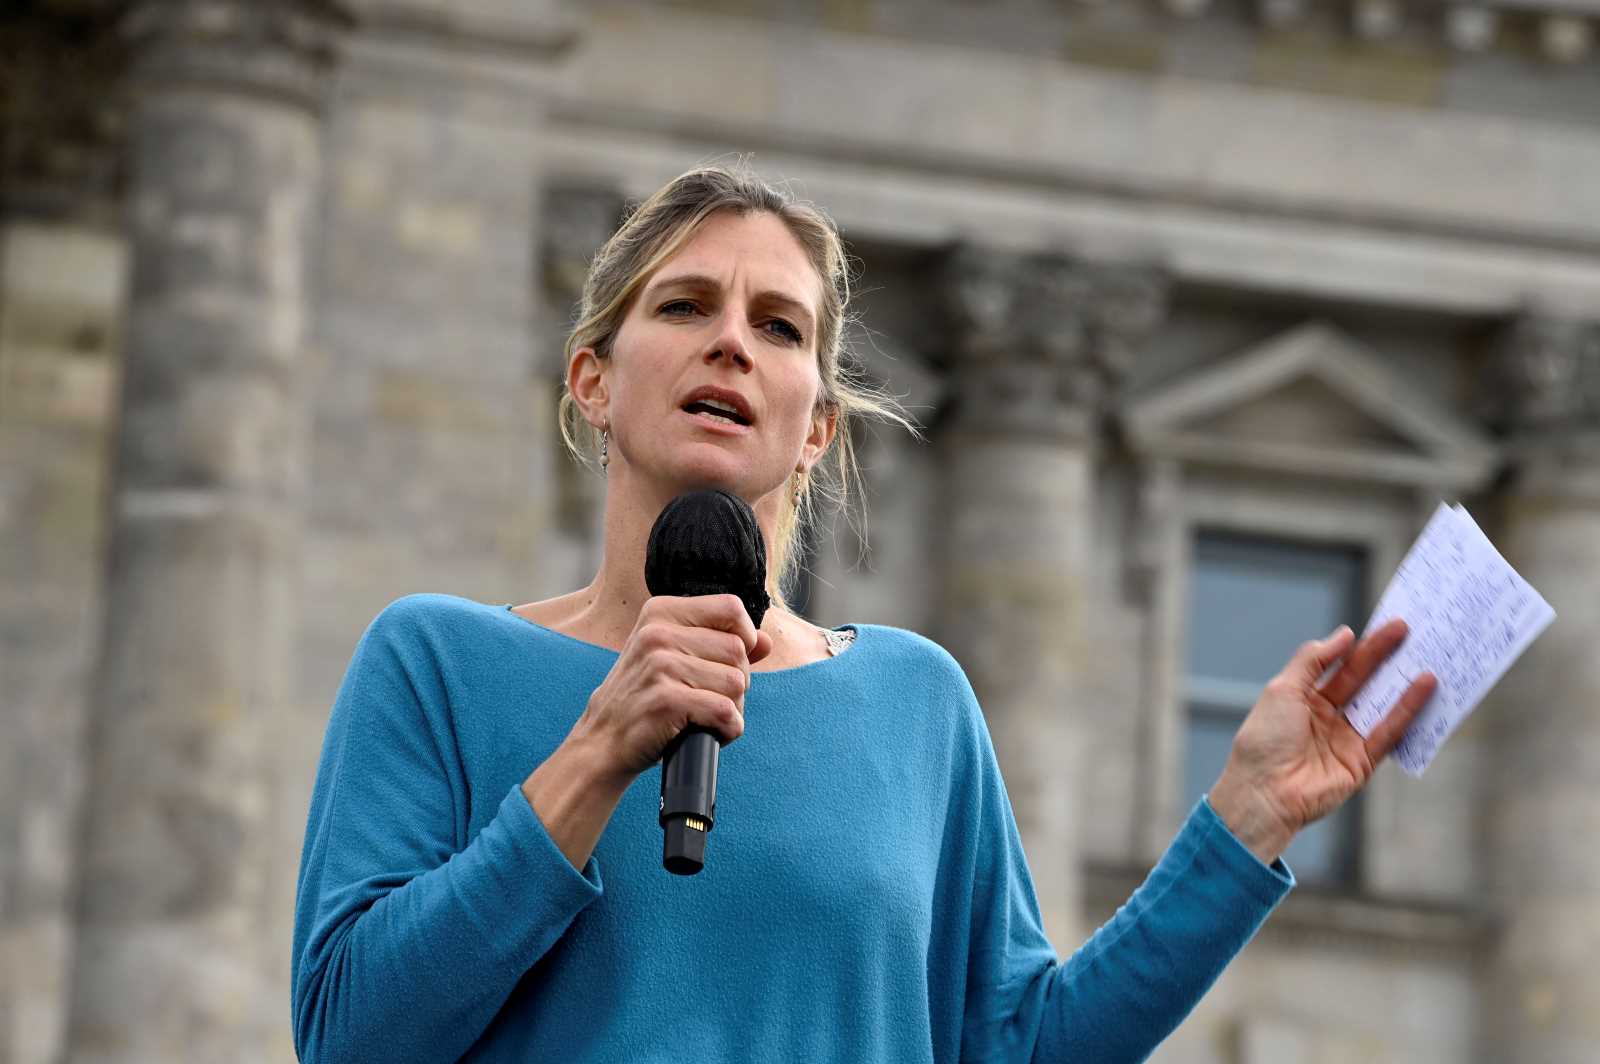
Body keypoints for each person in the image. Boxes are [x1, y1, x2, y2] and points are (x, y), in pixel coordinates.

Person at [290, 164, 1437, 1064]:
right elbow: (349, 1035)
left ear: (817, 427)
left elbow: (1018, 1047)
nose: (732, 340)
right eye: (686, 304)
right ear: (593, 379)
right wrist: (595, 753)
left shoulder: (913, 701)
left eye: (780, 326)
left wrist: (1247, 818)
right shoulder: (437, 660)